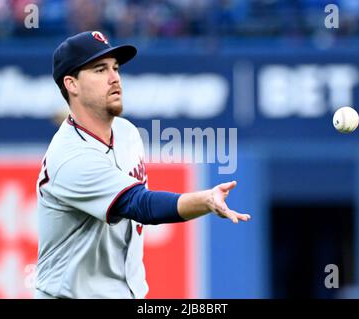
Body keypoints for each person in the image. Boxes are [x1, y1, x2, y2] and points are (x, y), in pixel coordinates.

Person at [34, 30, 251, 299]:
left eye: (115, 68)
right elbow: (142, 205)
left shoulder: (126, 133)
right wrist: (206, 199)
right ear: (72, 84)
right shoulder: (70, 158)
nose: (115, 77)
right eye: (100, 70)